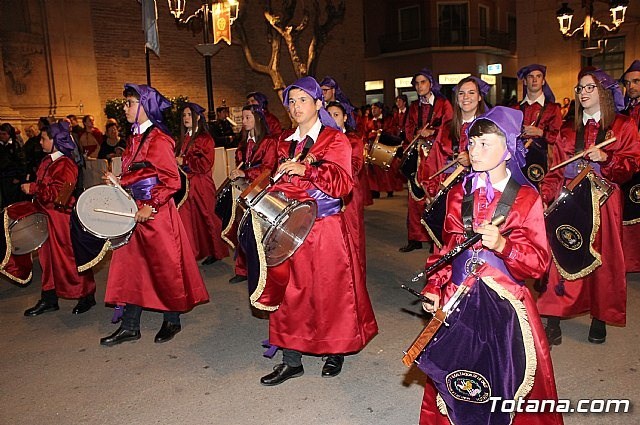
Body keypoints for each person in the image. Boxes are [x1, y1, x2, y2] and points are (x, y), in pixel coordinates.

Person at [418, 107, 562, 425]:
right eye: (472, 143)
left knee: (505, 383)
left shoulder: (525, 198)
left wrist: (503, 245)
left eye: (486, 143)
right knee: (459, 379)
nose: (475, 150)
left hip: (506, 307)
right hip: (459, 297)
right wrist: (434, 287)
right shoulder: (459, 194)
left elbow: (538, 264)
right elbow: (447, 249)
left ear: (508, 148)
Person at [258, 77, 377, 385]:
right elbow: (277, 181)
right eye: (291, 101)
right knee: (288, 292)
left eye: (302, 100)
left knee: (330, 292)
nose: (296, 107)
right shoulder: (284, 141)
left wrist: (307, 169)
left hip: (325, 228)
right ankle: (291, 359)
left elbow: (342, 185)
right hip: (288, 226)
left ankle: (334, 350)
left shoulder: (335, 140)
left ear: (318, 104)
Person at [100, 84, 209, 346]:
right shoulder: (135, 138)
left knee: (165, 267)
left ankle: (172, 320)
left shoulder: (158, 139)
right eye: (126, 103)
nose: (125, 108)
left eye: (130, 103)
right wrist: (119, 181)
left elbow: (172, 180)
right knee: (131, 267)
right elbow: (139, 173)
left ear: (145, 106)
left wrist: (152, 204)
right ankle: (130, 325)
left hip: (155, 214)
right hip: (133, 211)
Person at [539, 68, 640, 346]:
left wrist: (607, 158)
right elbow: (554, 171)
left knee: (603, 261)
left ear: (604, 92)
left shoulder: (622, 125)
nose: (582, 93)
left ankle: (599, 318)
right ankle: (553, 316)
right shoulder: (569, 129)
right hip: (569, 199)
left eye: (589, 88)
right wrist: (546, 199)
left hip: (604, 204)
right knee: (560, 255)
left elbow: (631, 165)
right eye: (580, 89)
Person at [20, 121, 96, 316]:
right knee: (47, 260)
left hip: (62, 219)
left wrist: (34, 189)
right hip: (46, 217)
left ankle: (86, 295)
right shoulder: (47, 161)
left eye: (44, 138)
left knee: (69, 258)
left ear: (55, 141)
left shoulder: (66, 164)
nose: (40, 140)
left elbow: (60, 195)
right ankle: (49, 297)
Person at [421, 76, 490, 247]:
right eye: (462, 93)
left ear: (480, 97)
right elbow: (434, 160)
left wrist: (473, 158)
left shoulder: (490, 126)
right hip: (448, 191)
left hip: (479, 193)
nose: (466, 97)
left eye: (471, 92)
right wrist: (431, 191)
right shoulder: (447, 127)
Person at [401, 67, 453, 252]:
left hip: (436, 155)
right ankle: (415, 237)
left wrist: (433, 133)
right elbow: (407, 128)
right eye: (417, 83)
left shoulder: (443, 104)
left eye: (423, 82)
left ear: (431, 84)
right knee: (414, 196)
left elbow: (449, 126)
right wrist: (416, 134)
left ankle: (434, 238)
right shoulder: (414, 107)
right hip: (418, 155)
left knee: (434, 196)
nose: (419, 86)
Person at [226, 104, 278, 283]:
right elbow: (241, 165)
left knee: (260, 233)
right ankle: (242, 270)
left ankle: (262, 270)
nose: (244, 121)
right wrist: (237, 172)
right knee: (242, 230)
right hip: (244, 192)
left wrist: (245, 173)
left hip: (261, 194)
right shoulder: (242, 143)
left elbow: (268, 169)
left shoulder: (269, 142)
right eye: (243, 117)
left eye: (248, 117)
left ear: (257, 119)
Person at [176, 102, 229, 266]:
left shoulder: (204, 138)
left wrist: (183, 160)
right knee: (193, 220)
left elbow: (205, 164)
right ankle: (198, 251)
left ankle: (216, 251)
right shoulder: (185, 137)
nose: (186, 118)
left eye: (189, 115)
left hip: (201, 183)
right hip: (187, 184)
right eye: (184, 115)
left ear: (198, 117)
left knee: (208, 217)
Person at [327, 100, 367, 278]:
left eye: (336, 115)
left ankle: (356, 277)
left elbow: (355, 166)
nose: (332, 119)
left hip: (349, 193)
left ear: (344, 117)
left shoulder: (353, 139)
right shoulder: (322, 139)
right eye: (328, 115)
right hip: (327, 192)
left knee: (353, 235)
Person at [514, 64, 563, 185]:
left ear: (543, 81)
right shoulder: (514, 108)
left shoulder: (553, 109)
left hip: (544, 163)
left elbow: (561, 139)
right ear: (525, 81)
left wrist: (541, 132)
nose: (535, 80)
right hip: (517, 163)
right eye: (530, 77)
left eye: (538, 76)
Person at [619, 59, 640, 273]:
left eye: (636, 81)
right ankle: (630, 262)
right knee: (627, 215)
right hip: (628, 169)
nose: (631, 86)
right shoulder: (623, 111)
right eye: (628, 83)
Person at [0, 123, 27, 208]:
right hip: (3, 177)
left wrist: (18, 177)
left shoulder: (16, 145)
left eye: (4, 134)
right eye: (0, 134)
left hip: (12, 178)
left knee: (12, 201)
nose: (2, 136)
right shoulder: (1, 145)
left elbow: (22, 162)